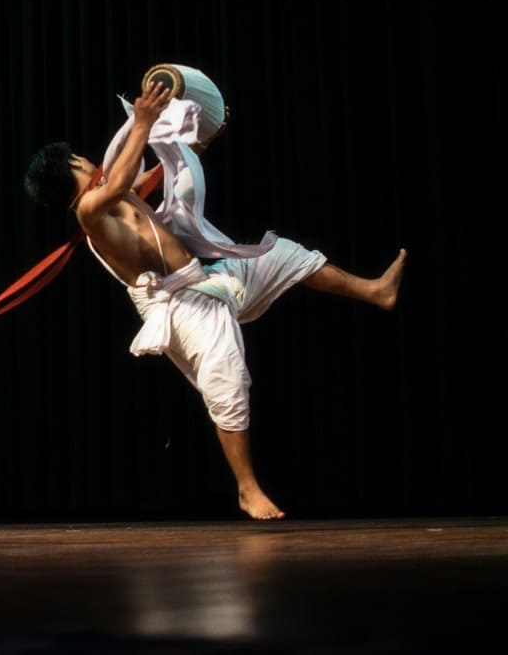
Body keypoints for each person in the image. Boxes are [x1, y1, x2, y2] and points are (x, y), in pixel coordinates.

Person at [21, 75, 406, 521]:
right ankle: (247, 489)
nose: (87, 158)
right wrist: (142, 119)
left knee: (286, 256)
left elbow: (163, 173)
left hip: (210, 277)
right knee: (228, 380)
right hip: (180, 306)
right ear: (71, 169)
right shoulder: (90, 211)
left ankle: (374, 290)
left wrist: (202, 139)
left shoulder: (118, 193)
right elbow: (124, 173)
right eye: (78, 159)